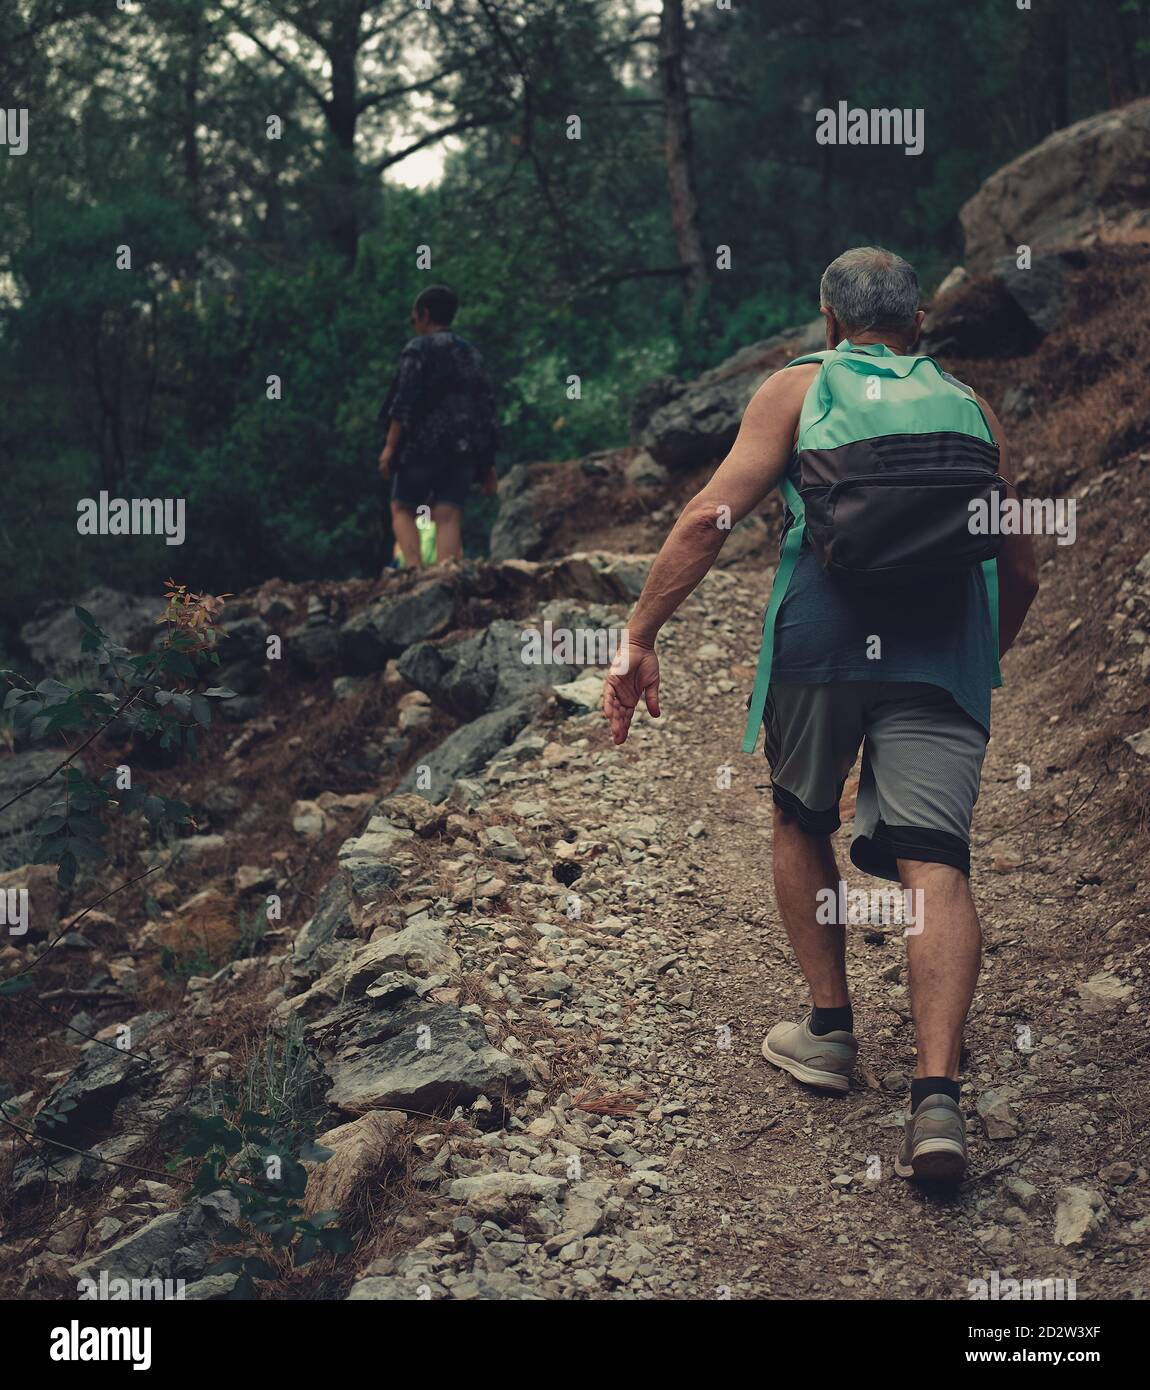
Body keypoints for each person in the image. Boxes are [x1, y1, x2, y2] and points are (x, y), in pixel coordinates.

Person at [602, 246, 1039, 1183]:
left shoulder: (800, 386)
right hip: (942, 652)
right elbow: (1023, 563)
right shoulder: (970, 406)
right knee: (937, 862)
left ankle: (831, 1032)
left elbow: (707, 519)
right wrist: (975, 660)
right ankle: (936, 1102)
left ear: (829, 322)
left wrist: (641, 633)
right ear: (917, 324)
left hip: (819, 646)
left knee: (801, 817)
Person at [378, 284, 498, 568]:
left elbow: (403, 402)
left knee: (402, 507)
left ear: (425, 314)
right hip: (462, 448)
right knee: (448, 514)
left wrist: (390, 446)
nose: (413, 322)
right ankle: (446, 576)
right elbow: (486, 409)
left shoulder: (417, 349)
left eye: (414, 316)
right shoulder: (471, 354)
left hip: (421, 446)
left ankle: (413, 569)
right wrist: (487, 462)